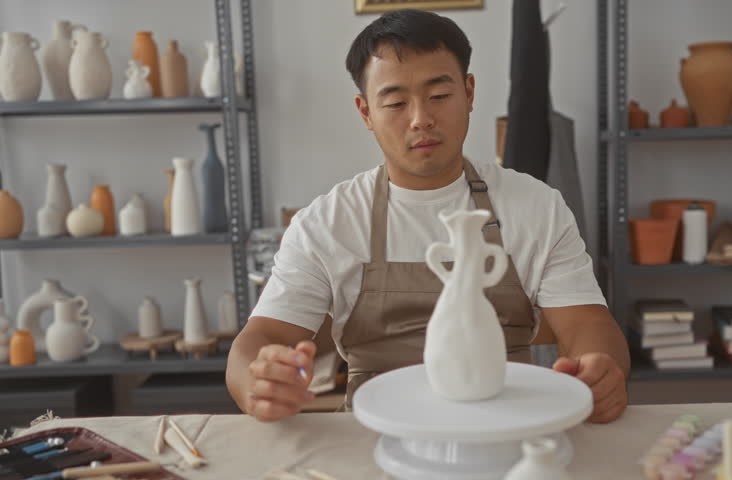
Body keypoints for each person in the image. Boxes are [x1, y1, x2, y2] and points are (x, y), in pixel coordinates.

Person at [226, 8, 630, 424]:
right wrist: (258, 380)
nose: (421, 119)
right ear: (365, 112)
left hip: (508, 432)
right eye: (396, 102)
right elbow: (262, 338)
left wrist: (598, 368)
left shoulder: (536, 206)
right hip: (373, 439)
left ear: (469, 92)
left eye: (439, 96)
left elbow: (587, 322)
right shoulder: (325, 223)